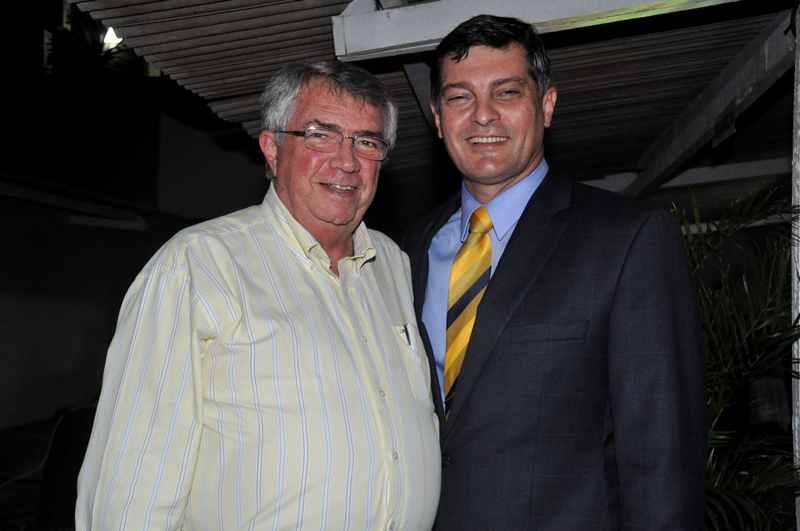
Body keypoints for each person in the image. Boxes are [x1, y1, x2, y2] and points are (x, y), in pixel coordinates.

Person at [76, 60, 440, 530]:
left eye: (366, 142)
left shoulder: (391, 263)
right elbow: (134, 480)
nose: (347, 161)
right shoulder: (200, 264)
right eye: (320, 135)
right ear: (272, 148)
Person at [402, 14, 705, 530]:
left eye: (506, 93)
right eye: (459, 97)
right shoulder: (404, 254)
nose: (482, 115)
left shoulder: (626, 239)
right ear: (437, 117)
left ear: (546, 105)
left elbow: (661, 453)